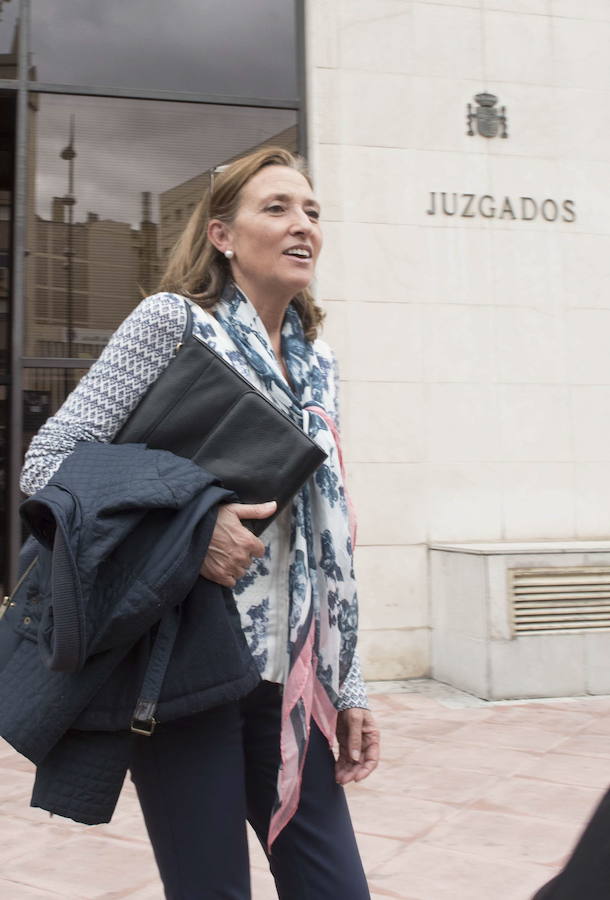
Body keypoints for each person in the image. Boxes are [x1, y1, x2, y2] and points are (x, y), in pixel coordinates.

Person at [20, 147, 379, 899]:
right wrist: (195, 519)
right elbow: (49, 461)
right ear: (222, 235)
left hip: (293, 677)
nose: (303, 224)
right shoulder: (174, 322)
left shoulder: (318, 363)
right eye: (276, 208)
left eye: (312, 211)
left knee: (336, 887)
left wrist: (348, 685)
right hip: (187, 664)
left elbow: (325, 538)